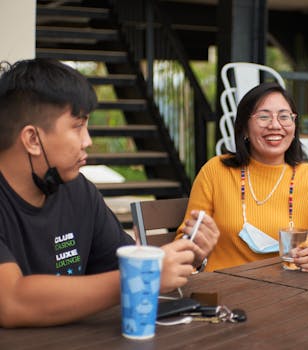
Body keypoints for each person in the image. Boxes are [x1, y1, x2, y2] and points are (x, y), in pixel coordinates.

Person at [0, 58, 217, 328]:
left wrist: (185, 255)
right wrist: (143, 275)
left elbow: (122, 264)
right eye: (77, 126)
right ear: (32, 139)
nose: (88, 140)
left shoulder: (78, 191)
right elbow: (10, 302)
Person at [179, 82, 308, 272]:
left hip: (290, 292)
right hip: (223, 291)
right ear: (244, 127)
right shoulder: (215, 171)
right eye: (263, 116)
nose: (275, 125)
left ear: (294, 126)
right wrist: (196, 254)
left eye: (284, 117)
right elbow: (185, 244)